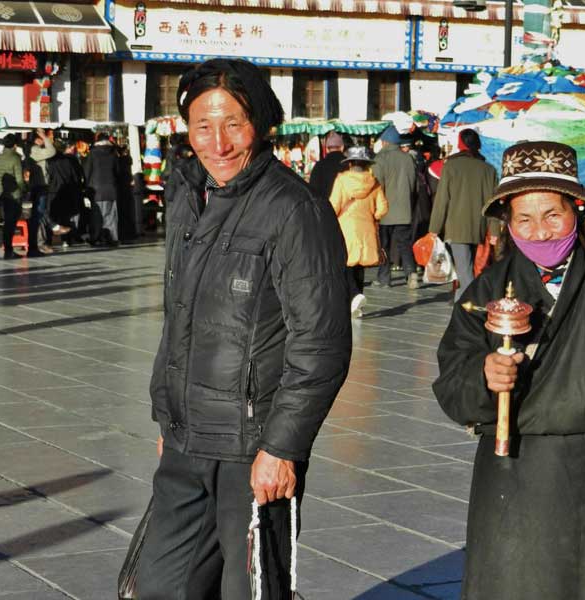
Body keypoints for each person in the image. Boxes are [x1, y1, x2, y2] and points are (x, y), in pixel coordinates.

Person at [134, 58, 352, 600]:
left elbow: (320, 342)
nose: (219, 142)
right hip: (187, 440)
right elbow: (179, 316)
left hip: (253, 450)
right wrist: (168, 411)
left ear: (261, 121)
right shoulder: (187, 194)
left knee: (252, 590)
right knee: (161, 585)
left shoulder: (295, 209)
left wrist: (282, 447)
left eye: (234, 123)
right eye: (203, 125)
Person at [433, 140, 585, 600]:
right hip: (514, 472)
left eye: (553, 215)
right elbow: (452, 375)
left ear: (577, 212)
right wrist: (483, 376)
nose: (541, 231)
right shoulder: (484, 289)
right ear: (507, 220)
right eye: (525, 219)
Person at [428, 128, 498, 301]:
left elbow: (442, 199)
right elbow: (494, 203)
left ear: (460, 143)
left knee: (465, 270)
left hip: (456, 226)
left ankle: (471, 304)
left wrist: (434, 228)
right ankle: (462, 300)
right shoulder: (489, 169)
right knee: (468, 268)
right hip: (479, 226)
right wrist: (495, 231)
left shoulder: (451, 166)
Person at [329, 146, 388, 318]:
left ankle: (354, 296)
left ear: (350, 164)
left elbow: (334, 205)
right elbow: (383, 207)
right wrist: (373, 216)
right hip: (367, 228)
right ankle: (357, 303)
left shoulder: (341, 180)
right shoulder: (374, 182)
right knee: (360, 265)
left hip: (346, 227)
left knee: (347, 264)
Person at [371, 125, 419, 289]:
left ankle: (384, 278)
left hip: (384, 211)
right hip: (404, 210)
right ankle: (411, 273)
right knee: (404, 244)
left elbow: (377, 185)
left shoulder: (380, 159)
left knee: (383, 246)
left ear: (384, 142)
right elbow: (413, 185)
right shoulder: (408, 158)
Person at [83, 132, 121, 246]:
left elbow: (87, 172)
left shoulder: (92, 154)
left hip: (96, 190)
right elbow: (117, 172)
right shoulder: (113, 154)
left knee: (97, 214)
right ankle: (112, 238)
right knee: (111, 215)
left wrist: (86, 186)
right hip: (111, 189)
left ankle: (96, 237)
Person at [47, 140, 86, 244]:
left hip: (53, 192)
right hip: (67, 191)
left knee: (53, 215)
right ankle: (66, 239)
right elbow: (75, 177)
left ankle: (49, 240)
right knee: (65, 216)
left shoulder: (49, 161)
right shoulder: (68, 161)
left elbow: (48, 177)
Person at [0, 134, 27, 259]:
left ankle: (7, 249)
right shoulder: (15, 158)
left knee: (6, 223)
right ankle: (9, 251)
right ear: (15, 145)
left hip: (2, 193)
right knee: (11, 223)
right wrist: (25, 189)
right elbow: (19, 179)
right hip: (14, 195)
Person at [308, 130, 346, 200]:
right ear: (342, 147)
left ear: (327, 149)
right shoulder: (349, 164)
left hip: (325, 207)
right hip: (346, 209)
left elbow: (313, 190)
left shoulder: (319, 166)